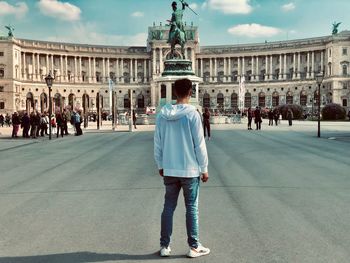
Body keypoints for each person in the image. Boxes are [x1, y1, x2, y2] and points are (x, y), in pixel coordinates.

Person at [154, 78, 210, 258]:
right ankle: (194, 247)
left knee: (168, 207)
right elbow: (199, 144)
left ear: (174, 92)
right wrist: (204, 168)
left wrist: (160, 164)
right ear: (190, 92)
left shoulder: (163, 114)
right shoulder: (193, 114)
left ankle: (165, 246)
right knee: (191, 207)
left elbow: (158, 143)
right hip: (190, 169)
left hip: (169, 168)